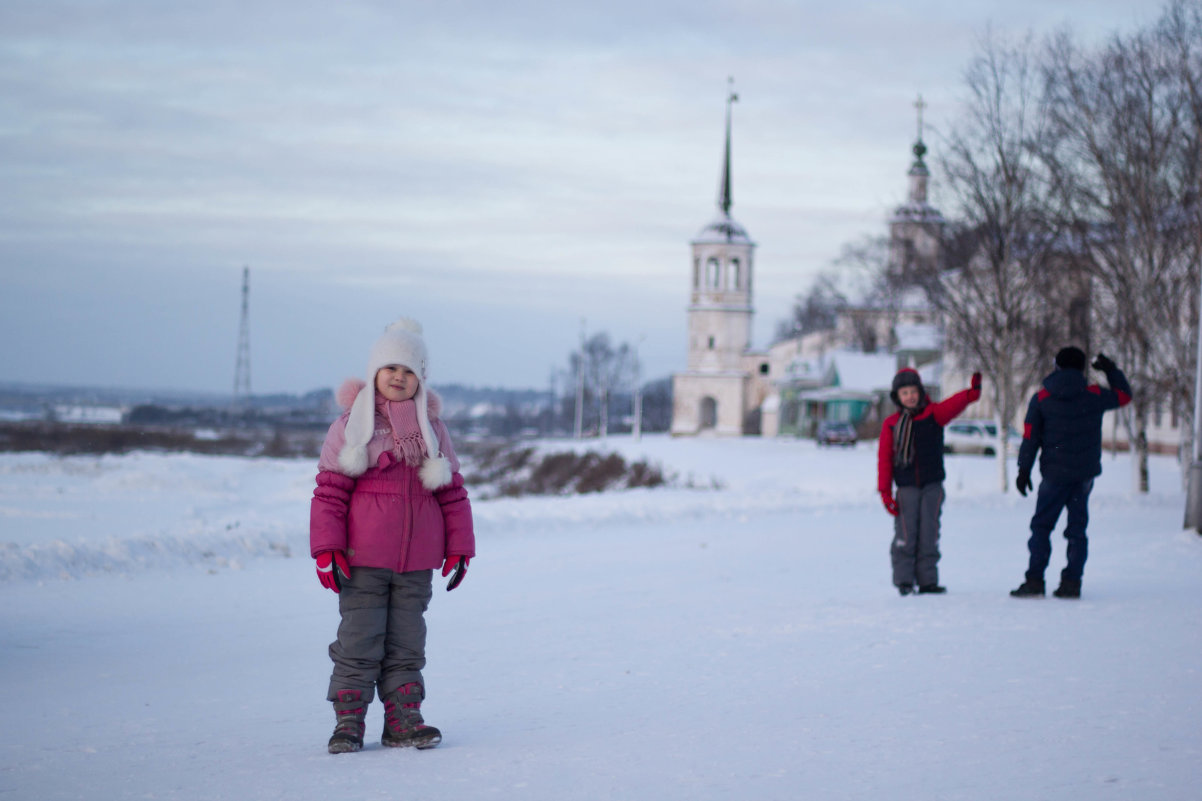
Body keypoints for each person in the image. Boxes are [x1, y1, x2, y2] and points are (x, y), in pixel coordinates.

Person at [309, 317, 475, 754]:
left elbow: (453, 492)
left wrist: (459, 547)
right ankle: (349, 721)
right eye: (391, 368)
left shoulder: (433, 431)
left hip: (417, 563)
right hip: (362, 559)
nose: (399, 377)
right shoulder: (353, 426)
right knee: (360, 641)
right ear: (374, 373)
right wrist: (326, 547)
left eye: (409, 371)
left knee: (406, 643)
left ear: (420, 379)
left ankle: (403, 719)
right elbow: (329, 491)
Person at [1010, 347, 1131, 599]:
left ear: (1056, 366)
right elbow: (1124, 396)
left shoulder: (1042, 397)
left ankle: (1034, 580)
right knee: (1077, 530)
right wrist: (1110, 369)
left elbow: (1030, 436)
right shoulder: (1094, 395)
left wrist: (1024, 470)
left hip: (1053, 476)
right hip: (1083, 476)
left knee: (1042, 527)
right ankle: (1072, 583)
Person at [877, 367, 982, 596]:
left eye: (913, 391)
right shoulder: (892, 424)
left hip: (932, 486)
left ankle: (928, 581)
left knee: (929, 534)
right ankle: (904, 582)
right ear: (897, 397)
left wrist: (970, 394)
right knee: (906, 535)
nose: (910, 396)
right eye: (904, 393)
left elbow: (952, 405)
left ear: (920, 392)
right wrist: (885, 493)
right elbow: (885, 459)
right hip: (906, 489)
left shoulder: (933, 414)